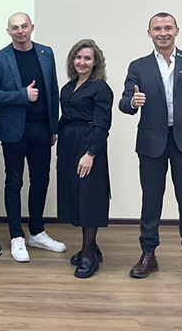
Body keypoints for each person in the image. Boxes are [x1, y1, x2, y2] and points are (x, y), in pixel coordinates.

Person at [119, 13, 182, 288]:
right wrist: (133, 102)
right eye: (157, 29)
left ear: (176, 31)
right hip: (151, 143)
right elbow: (125, 102)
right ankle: (148, 255)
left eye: (167, 28)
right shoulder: (138, 66)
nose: (162, 33)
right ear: (149, 33)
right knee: (151, 201)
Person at [0, 12, 65, 263]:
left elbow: (52, 90)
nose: (20, 31)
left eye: (24, 26)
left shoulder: (46, 53)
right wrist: (21, 95)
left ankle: (37, 232)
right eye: (15, 27)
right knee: (14, 183)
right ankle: (16, 236)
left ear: (32, 27)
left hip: (42, 129)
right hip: (14, 131)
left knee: (41, 180)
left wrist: (54, 127)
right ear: (8, 31)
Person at [57, 39, 113, 279]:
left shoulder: (101, 88)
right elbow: (67, 117)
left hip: (89, 144)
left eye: (87, 58)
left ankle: (89, 254)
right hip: (69, 144)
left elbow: (102, 125)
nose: (82, 62)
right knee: (76, 196)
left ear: (96, 62)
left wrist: (90, 154)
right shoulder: (68, 87)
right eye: (78, 57)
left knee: (89, 198)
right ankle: (92, 247)